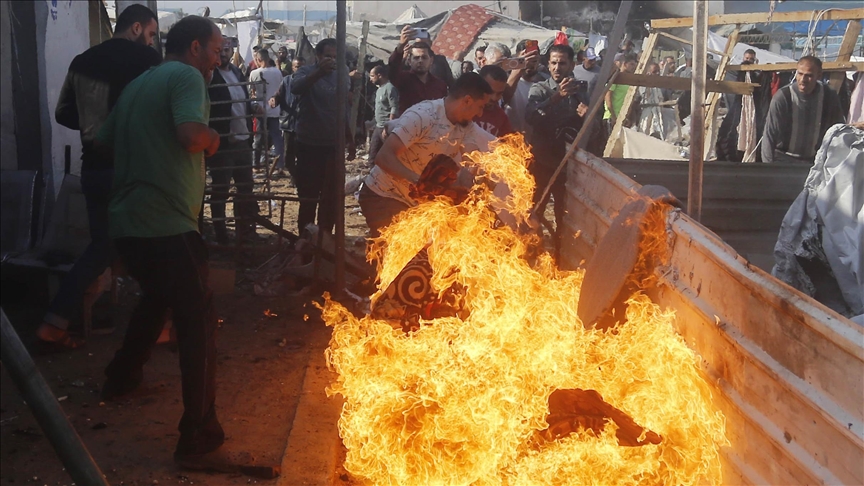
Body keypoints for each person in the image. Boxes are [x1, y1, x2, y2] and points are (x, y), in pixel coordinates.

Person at [96, 15, 248, 472]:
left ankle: (121, 378)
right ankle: (198, 436)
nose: (219, 59)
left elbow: (103, 141)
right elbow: (189, 135)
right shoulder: (185, 75)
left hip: (128, 219)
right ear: (196, 47)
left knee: (158, 297)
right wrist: (214, 137)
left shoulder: (141, 82)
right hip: (164, 221)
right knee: (197, 316)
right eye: (217, 50)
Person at [37, 4, 161, 351]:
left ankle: (61, 322)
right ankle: (163, 324)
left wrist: (94, 125)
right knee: (153, 244)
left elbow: (63, 114)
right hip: (133, 170)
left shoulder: (81, 61)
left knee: (103, 247)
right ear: (136, 28)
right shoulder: (146, 62)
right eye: (150, 34)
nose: (151, 42)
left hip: (92, 168)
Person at [358, 72, 495, 238]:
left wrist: (475, 187)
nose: (480, 114)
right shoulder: (423, 115)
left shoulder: (466, 126)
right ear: (467, 100)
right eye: (481, 106)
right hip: (384, 195)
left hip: (417, 203)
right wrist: (419, 181)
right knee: (399, 255)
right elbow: (384, 157)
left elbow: (470, 160)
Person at [525, 44, 589, 257]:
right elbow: (532, 116)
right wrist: (556, 97)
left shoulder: (581, 92)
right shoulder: (540, 89)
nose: (557, 67)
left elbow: (595, 129)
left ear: (572, 65)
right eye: (553, 63)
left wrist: (589, 116)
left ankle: (560, 259)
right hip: (542, 163)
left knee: (565, 217)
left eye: (562, 63)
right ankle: (532, 257)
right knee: (534, 214)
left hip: (568, 166)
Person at [291, 38, 356, 235]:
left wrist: (349, 137)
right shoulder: (305, 71)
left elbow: (343, 106)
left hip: (333, 146)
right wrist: (319, 73)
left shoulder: (343, 72)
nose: (332, 61)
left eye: (336, 57)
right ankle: (306, 241)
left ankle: (325, 240)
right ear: (318, 57)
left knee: (331, 198)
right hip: (309, 145)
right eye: (328, 56)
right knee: (309, 197)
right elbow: (295, 88)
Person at [207, 36, 258, 245]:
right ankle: (220, 233)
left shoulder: (237, 73)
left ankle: (245, 231)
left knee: (245, 188)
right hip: (223, 144)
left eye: (227, 50)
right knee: (221, 189)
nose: (224, 53)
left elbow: (241, 102)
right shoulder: (210, 76)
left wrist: (253, 109)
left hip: (243, 140)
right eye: (220, 50)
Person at [761, 56, 844, 164]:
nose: (803, 80)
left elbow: (839, 130)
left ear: (819, 75)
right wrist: (768, 167)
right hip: (783, 159)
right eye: (800, 74)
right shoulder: (783, 97)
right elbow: (769, 135)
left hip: (815, 161)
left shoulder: (829, 96)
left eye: (809, 76)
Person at [390, 26, 449, 115]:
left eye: (424, 57)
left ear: (431, 60)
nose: (420, 61)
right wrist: (401, 45)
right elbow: (392, 68)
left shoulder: (440, 85)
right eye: (416, 58)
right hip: (409, 127)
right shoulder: (403, 80)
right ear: (409, 61)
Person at [249, 49, 285, 173]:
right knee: (277, 138)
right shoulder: (277, 72)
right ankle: (280, 165)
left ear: (258, 60)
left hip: (260, 110)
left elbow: (252, 92)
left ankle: (255, 165)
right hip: (274, 109)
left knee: (258, 138)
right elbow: (281, 89)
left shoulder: (254, 73)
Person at [270, 57, 305, 181]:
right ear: (292, 68)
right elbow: (278, 95)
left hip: (304, 126)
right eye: (297, 66)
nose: (299, 69)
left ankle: (298, 180)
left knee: (303, 156)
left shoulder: (310, 82)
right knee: (288, 157)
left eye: (301, 66)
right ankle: (296, 177)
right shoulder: (286, 81)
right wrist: (274, 99)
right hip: (289, 124)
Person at [504, 40, 547, 137]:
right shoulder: (510, 81)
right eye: (525, 60)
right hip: (512, 143)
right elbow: (505, 96)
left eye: (533, 61)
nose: (529, 64)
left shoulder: (543, 84)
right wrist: (520, 65)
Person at [368, 65, 399, 163]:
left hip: (386, 128)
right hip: (378, 126)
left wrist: (388, 127)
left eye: (372, 76)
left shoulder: (390, 88)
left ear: (380, 75)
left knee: (390, 156)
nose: (370, 79)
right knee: (373, 155)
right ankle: (373, 177)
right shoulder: (379, 89)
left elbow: (394, 108)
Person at [474, 65, 514, 137]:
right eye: (490, 92)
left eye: (499, 94)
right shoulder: (462, 110)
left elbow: (507, 145)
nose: (494, 98)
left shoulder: (501, 117)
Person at [604, 53, 638, 133]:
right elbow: (607, 96)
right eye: (631, 64)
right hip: (611, 117)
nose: (634, 67)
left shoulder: (629, 80)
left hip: (622, 118)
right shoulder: (616, 78)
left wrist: (626, 117)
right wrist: (613, 116)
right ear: (625, 64)